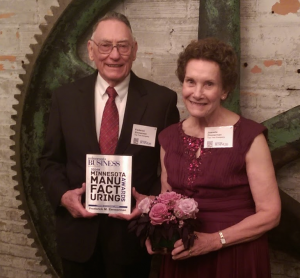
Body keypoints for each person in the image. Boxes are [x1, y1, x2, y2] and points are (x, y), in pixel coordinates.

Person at [39, 11, 179, 278]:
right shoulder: (65, 98)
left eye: (122, 46)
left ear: (134, 50)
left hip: (132, 239)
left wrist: (152, 203)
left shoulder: (162, 101)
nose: (114, 55)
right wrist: (62, 196)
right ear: (91, 50)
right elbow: (50, 160)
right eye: (105, 45)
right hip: (77, 237)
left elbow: (171, 168)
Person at [147, 37, 281, 278]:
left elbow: (270, 214)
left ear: (225, 90)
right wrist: (154, 228)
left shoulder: (249, 137)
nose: (197, 93)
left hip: (235, 257)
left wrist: (215, 241)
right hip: (184, 258)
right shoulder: (168, 138)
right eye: (191, 82)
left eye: (208, 84)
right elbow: (168, 204)